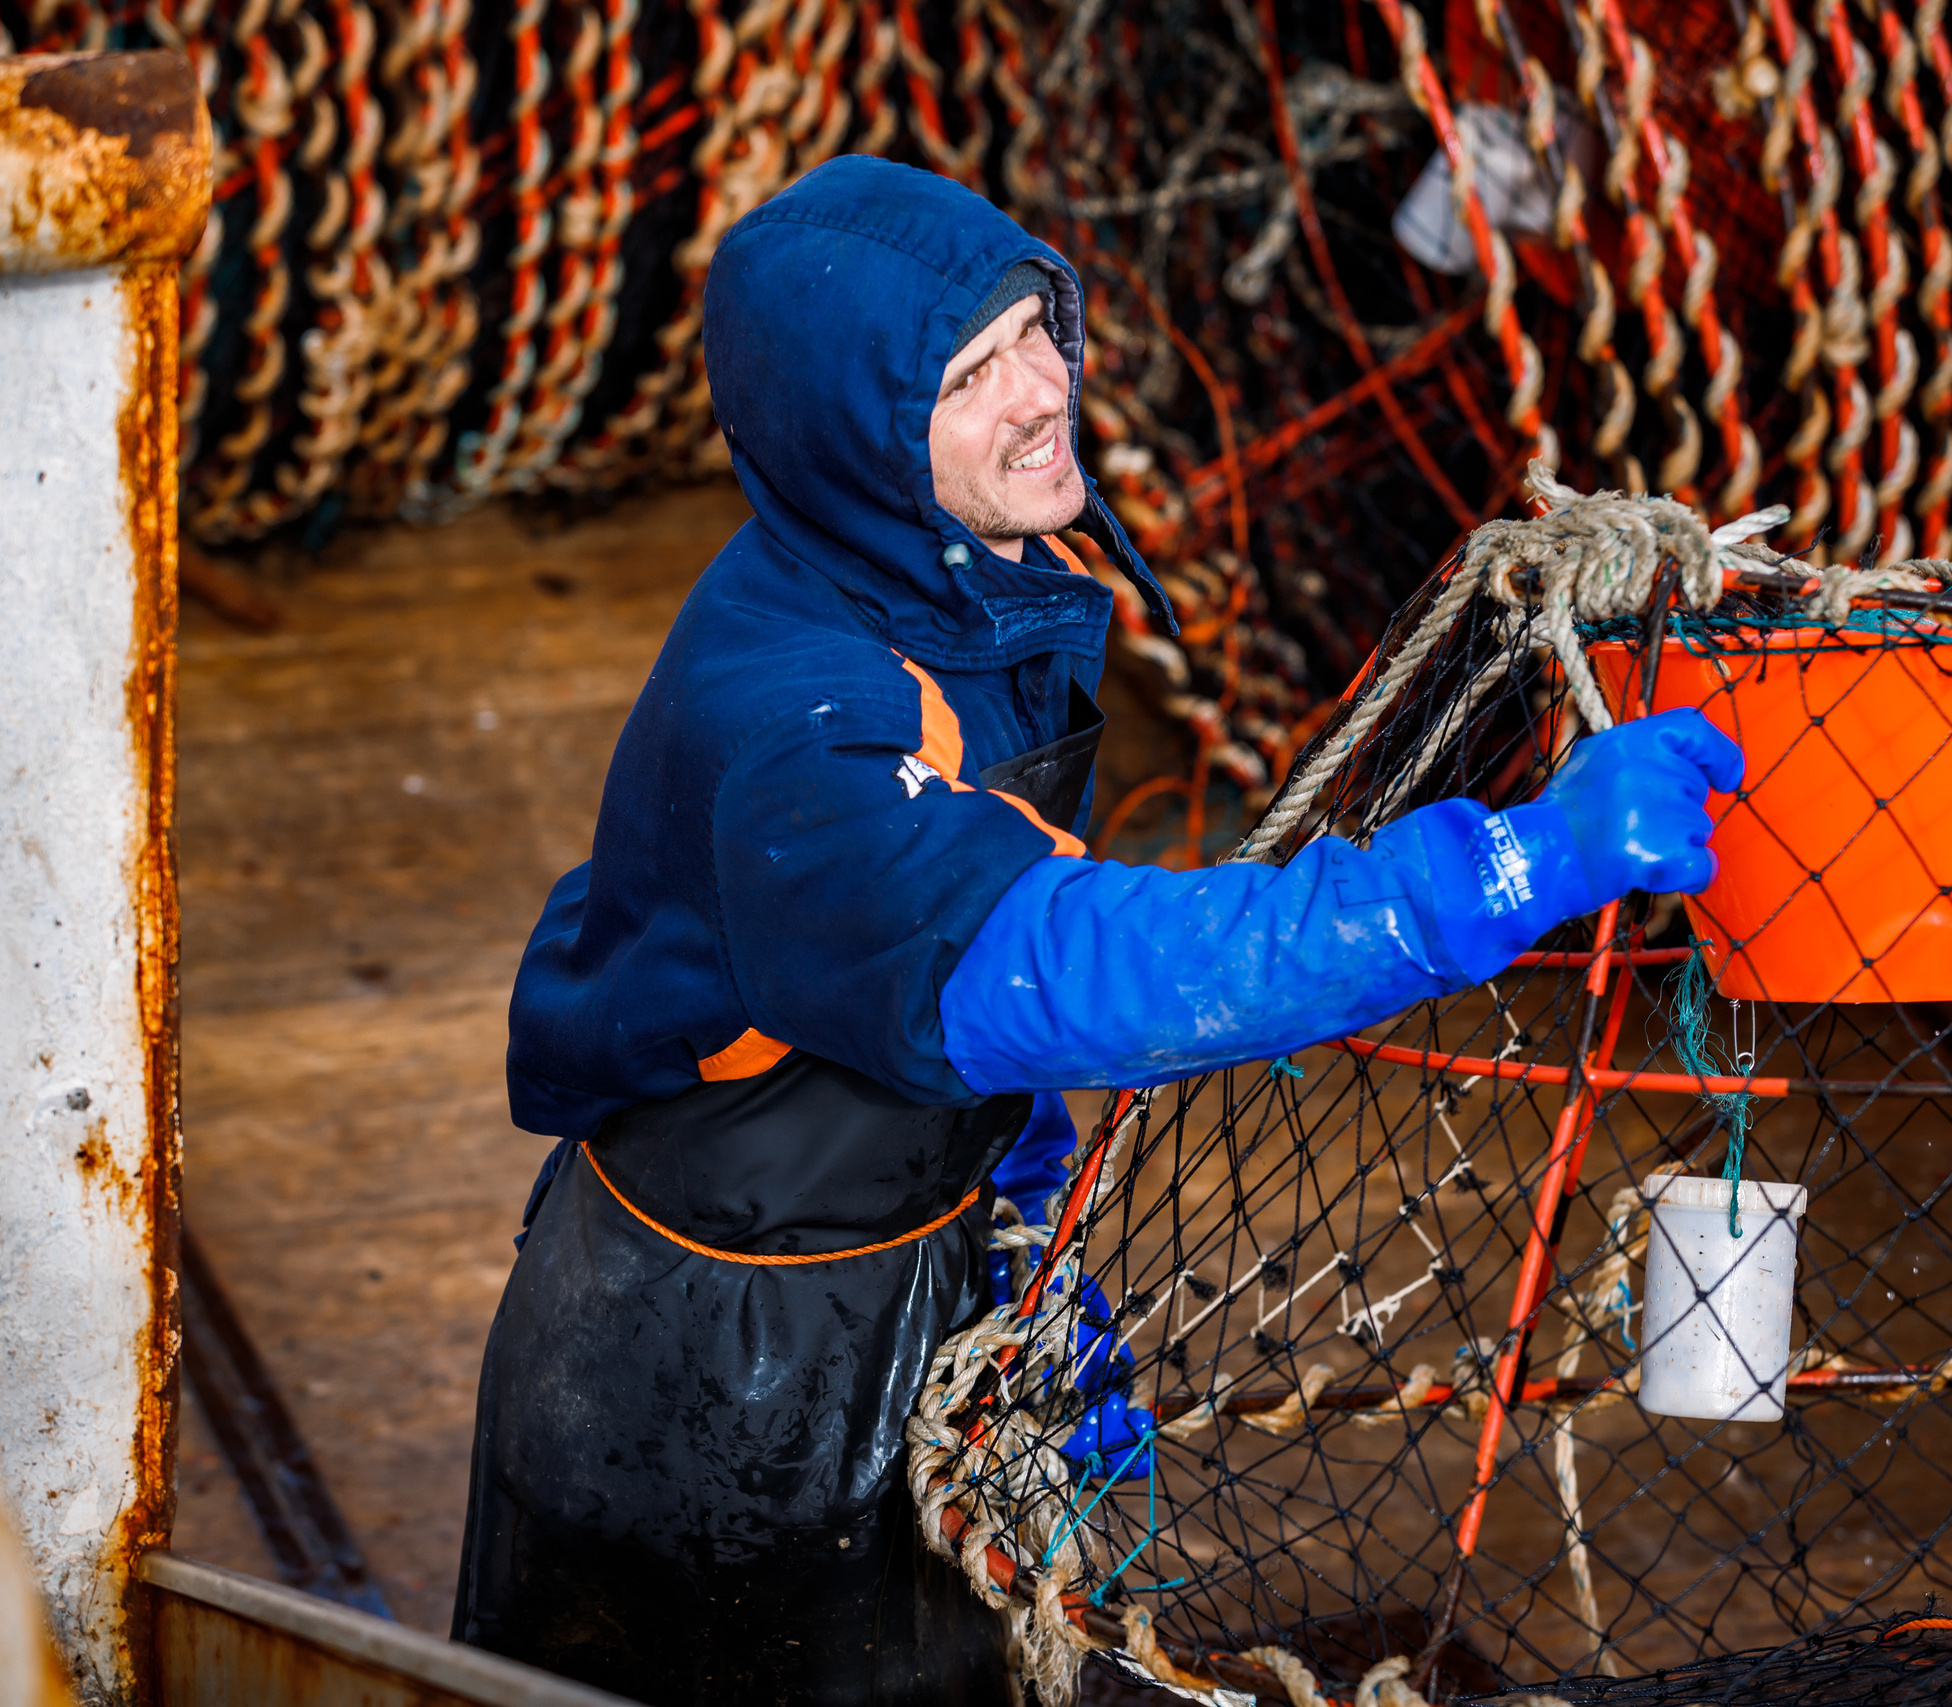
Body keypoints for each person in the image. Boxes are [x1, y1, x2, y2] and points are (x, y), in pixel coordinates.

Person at [451, 155, 1743, 1706]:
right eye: (968, 375)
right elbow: (1085, 969)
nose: (1039, 394)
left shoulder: (969, 571)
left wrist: (1028, 1248)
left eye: (1034, 333)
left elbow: (931, 1020)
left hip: (893, 1271)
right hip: (721, 1373)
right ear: (851, 440)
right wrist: (1512, 868)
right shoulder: (801, 727)